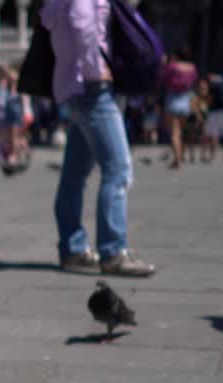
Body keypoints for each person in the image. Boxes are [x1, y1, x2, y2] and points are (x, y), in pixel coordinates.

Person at [41, 0, 155, 277]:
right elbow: (82, 23)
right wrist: (95, 68)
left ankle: (73, 249)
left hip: (74, 86)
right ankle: (113, 251)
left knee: (74, 174)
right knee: (118, 169)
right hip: (93, 86)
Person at [160, 48, 198, 169]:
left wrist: (164, 63)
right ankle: (180, 156)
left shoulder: (172, 66)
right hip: (185, 99)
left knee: (174, 133)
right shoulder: (192, 68)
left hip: (172, 98)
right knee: (181, 132)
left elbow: (163, 79)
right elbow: (194, 82)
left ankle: (177, 160)